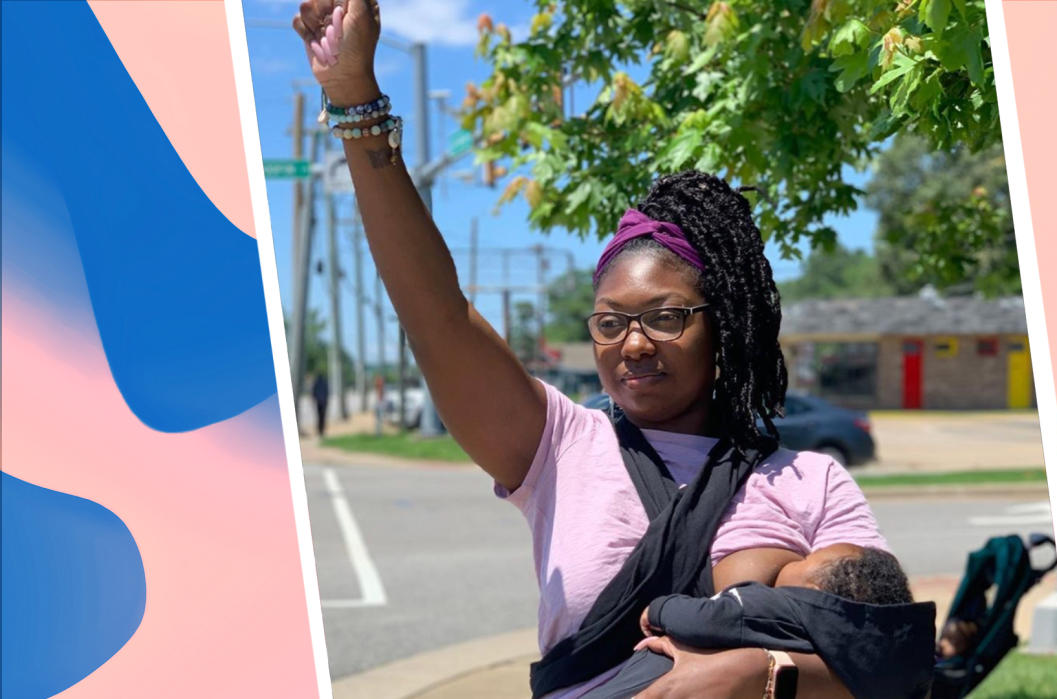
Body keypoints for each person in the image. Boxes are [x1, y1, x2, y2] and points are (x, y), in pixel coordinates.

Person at [292, 1, 933, 696]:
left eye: (665, 317)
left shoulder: (810, 481)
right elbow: (437, 316)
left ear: (723, 323)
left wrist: (751, 670)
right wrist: (354, 96)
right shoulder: (560, 447)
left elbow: (888, 662)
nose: (632, 344)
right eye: (609, 322)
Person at [583, 545, 934, 699]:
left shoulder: (781, 607)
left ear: (815, 590)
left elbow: (707, 619)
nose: (801, 554)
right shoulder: (884, 648)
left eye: (811, 556)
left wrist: (660, 609)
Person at [312, 372, 329, 438]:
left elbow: (313, 392)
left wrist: (314, 398)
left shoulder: (316, 383)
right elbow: (327, 392)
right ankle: (321, 430)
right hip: (323, 402)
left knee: (319, 416)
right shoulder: (324, 383)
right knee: (322, 417)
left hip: (318, 402)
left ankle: (320, 430)